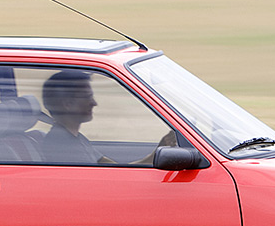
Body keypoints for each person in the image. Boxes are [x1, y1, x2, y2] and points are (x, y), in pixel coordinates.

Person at [41, 70, 177, 165]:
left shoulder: (75, 139)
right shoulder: (62, 147)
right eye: (88, 97)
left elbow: (120, 170)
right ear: (68, 104)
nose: (94, 103)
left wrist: (158, 152)